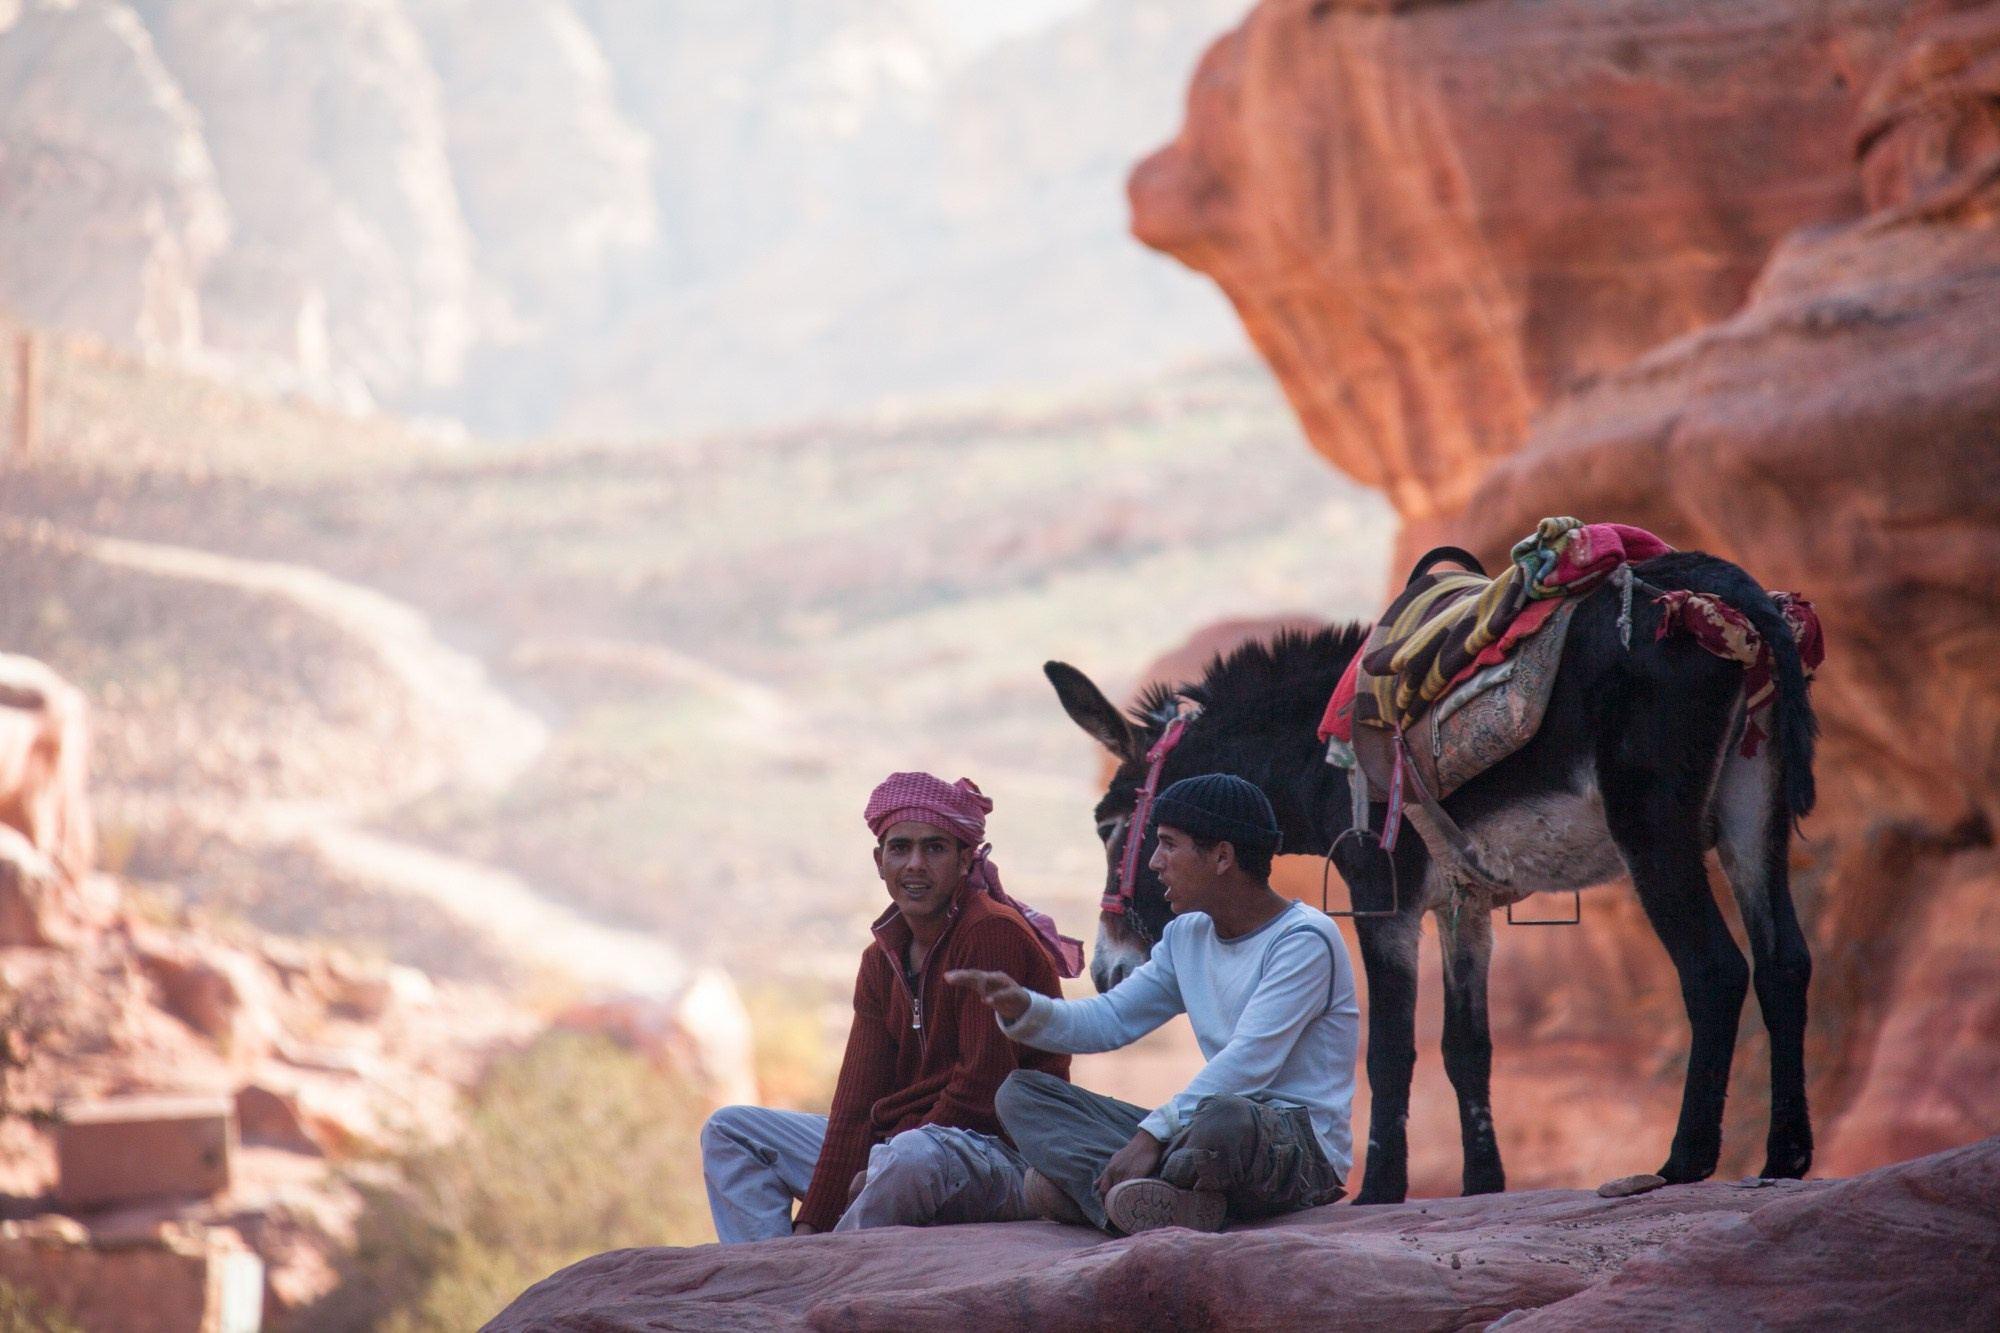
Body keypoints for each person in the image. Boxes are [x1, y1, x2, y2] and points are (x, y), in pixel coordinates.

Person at [948, 772, 1357, 1235]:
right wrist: (1024, 1007)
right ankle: (1147, 1198)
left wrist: (1152, 1134)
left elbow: (1250, 1061)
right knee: (1021, 1094)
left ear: (1222, 856)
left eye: (1168, 844)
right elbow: (1111, 1019)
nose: (1154, 863)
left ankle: (1105, 1194)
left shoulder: (1304, 939)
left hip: (1294, 1147)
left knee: (1225, 1118)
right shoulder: (1187, 935)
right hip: (1200, 1129)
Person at [700, 772, 1082, 1242]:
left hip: (999, 1154)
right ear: (880, 862)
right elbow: (854, 1105)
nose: (915, 865)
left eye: (934, 848)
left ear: (965, 860)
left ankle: (826, 1267)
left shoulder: (989, 932)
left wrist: (881, 1164)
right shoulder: (880, 960)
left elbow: (983, 1090)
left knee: (912, 1156)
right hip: (903, 1145)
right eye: (900, 848)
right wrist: (811, 1220)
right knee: (731, 1131)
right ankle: (776, 1267)